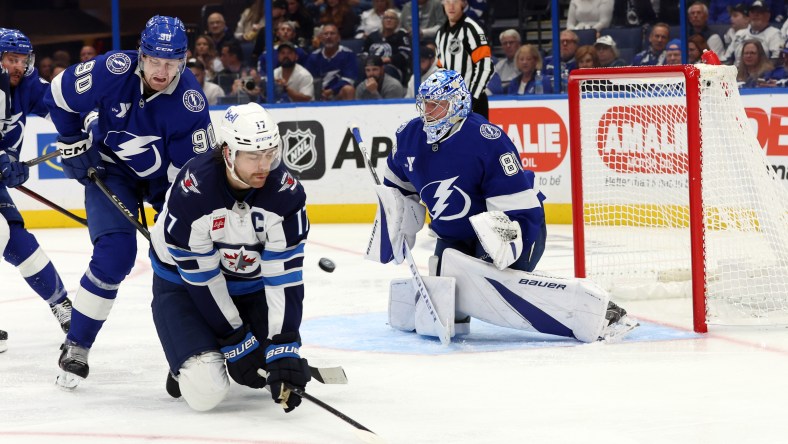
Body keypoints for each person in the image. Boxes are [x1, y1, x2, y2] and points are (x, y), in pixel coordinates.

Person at [365, 69, 635, 343]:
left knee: (496, 286)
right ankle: (469, 302)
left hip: (512, 229)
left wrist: (500, 259)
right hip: (454, 235)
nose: (429, 112)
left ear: (458, 103)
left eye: (438, 105)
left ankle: (601, 312)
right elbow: (397, 189)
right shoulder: (410, 136)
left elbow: (518, 208)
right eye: (425, 104)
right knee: (449, 287)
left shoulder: (485, 138)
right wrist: (395, 225)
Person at [44, 15, 215, 389]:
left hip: (163, 183)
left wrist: (173, 225)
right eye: (154, 60)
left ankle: (190, 349)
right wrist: (72, 138)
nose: (162, 70)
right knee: (115, 255)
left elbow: (189, 182)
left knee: (188, 255)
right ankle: (77, 345)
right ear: (141, 55)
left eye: (171, 62)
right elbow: (58, 93)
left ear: (185, 59)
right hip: (110, 170)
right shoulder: (112, 68)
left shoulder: (190, 104)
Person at [149, 102, 311, 412]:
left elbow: (284, 275)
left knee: (263, 371)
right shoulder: (194, 192)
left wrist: (285, 345)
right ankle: (188, 358)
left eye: (269, 153)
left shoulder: (286, 196)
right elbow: (202, 278)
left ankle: (205, 344)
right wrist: (234, 337)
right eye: (252, 156)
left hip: (248, 288)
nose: (263, 165)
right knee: (207, 392)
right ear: (228, 152)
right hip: (182, 288)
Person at [0, 29, 73, 337]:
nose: (17, 66)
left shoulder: (27, 85)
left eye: (22, 60)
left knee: (15, 238)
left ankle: (62, 303)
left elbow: (60, 107)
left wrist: (89, 127)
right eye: (10, 59)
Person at [435, 0, 493, 118]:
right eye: (447, 2)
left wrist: (472, 98)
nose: (451, 6)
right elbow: (441, 68)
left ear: (463, 4)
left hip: (474, 102)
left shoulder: (472, 29)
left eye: (455, 1)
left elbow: (486, 67)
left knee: (474, 136)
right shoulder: (440, 34)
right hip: (450, 104)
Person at [305, 24, 358, 101]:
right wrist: (320, 92)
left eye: (332, 33)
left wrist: (331, 91)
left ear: (339, 38)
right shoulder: (314, 56)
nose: (329, 36)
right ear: (321, 38)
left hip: (338, 94)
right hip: (318, 94)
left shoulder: (348, 54)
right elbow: (309, 79)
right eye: (325, 34)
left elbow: (349, 80)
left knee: (348, 89)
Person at [362, 8, 412, 84]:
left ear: (397, 22)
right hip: (371, 66)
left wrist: (388, 59)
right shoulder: (373, 36)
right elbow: (364, 53)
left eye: (392, 18)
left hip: (392, 67)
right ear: (382, 21)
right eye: (386, 18)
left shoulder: (401, 35)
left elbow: (405, 54)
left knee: (385, 70)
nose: (389, 20)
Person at [486, 29, 521, 94]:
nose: (508, 46)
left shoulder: (525, 64)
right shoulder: (499, 65)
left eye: (511, 42)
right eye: (505, 43)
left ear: (518, 44)